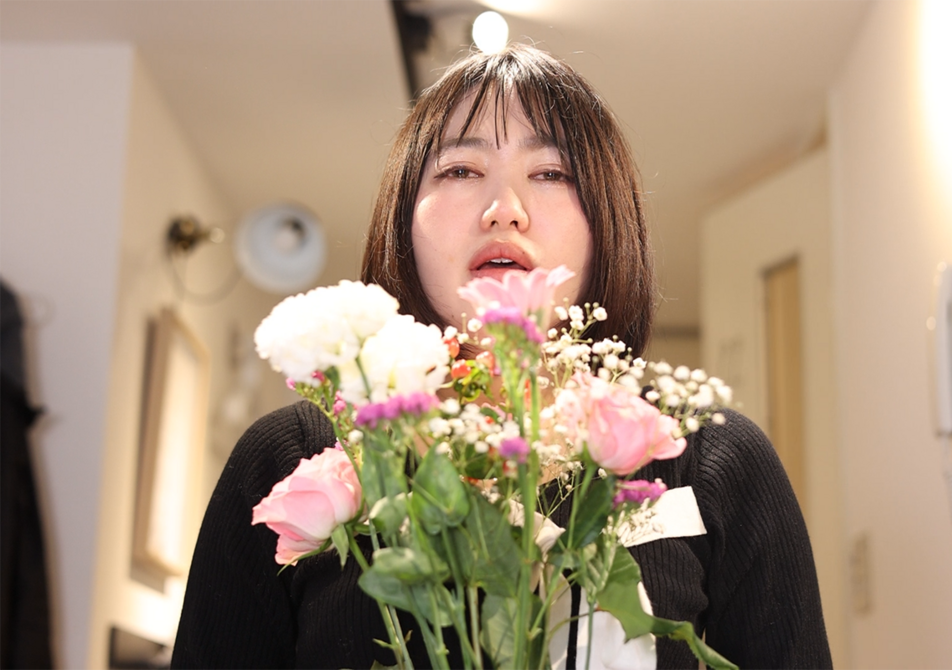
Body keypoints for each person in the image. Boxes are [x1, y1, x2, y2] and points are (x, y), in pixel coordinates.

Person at [172, 44, 832, 669]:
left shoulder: (711, 457)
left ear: (607, 220)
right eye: (460, 171)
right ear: (403, 216)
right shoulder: (293, 462)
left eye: (551, 173)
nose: (505, 211)